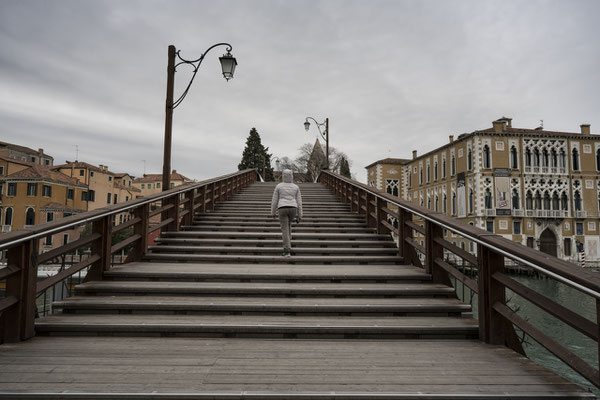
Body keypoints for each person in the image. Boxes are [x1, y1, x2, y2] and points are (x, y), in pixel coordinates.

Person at [271, 169, 303, 257]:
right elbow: (299, 201)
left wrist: (273, 212)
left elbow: (274, 200)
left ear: (283, 176)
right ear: (292, 176)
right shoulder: (296, 187)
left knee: (284, 229)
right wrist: (300, 214)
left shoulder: (279, 186)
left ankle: (287, 250)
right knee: (288, 226)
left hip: (282, 208)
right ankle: (289, 244)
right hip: (293, 208)